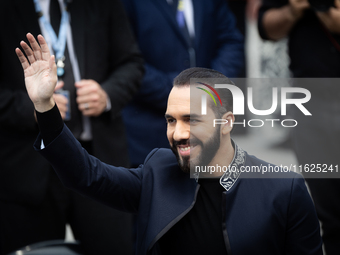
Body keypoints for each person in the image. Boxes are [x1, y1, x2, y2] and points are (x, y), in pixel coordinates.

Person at [15, 34, 323, 254]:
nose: (177, 133)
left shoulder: (284, 189)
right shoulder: (158, 172)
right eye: (171, 120)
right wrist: (45, 106)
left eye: (191, 120)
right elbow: (85, 174)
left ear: (227, 122)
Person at [0, 0, 143, 254]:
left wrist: (107, 94)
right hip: (29, 171)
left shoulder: (102, 5)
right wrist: (34, 110)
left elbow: (131, 63)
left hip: (99, 160)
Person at [120, 0, 245, 167]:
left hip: (207, 139)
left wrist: (210, 87)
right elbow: (125, 59)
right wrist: (183, 95)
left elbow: (230, 41)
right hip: (147, 136)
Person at [258, 1, 340, 254]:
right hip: (310, 102)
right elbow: (267, 27)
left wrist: (324, 9)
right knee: (329, 216)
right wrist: (293, 10)